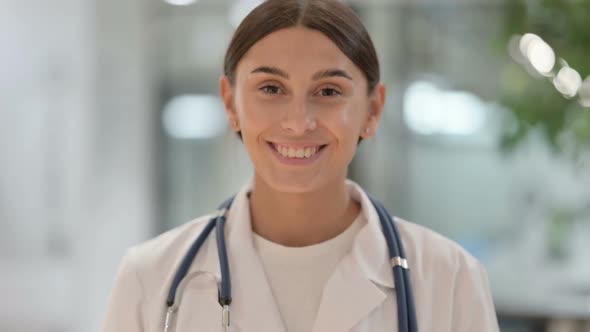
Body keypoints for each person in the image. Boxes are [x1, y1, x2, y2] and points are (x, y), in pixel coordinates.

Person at [101, 0, 500, 331]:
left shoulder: (450, 280)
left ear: (373, 109)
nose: (298, 121)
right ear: (230, 104)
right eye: (271, 89)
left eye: (329, 91)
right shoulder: (150, 278)